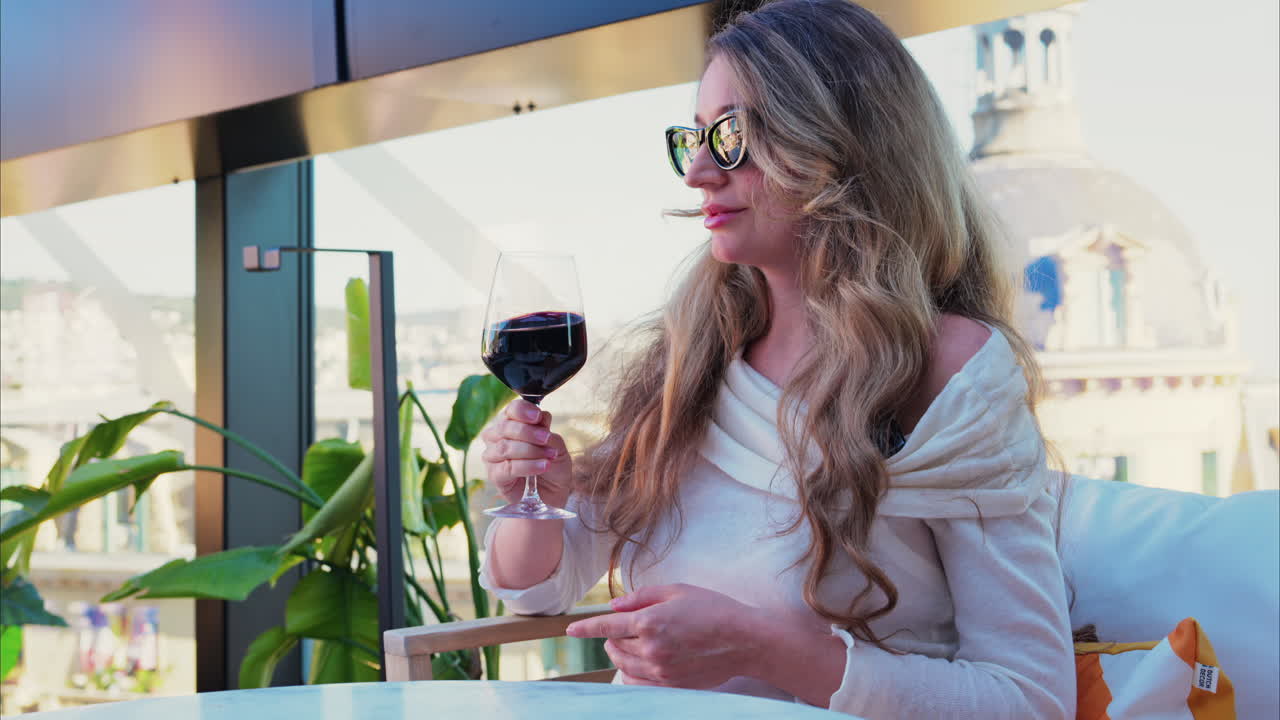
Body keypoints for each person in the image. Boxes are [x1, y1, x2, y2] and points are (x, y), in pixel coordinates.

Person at [478, 1, 1075, 717]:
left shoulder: (950, 372)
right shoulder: (697, 351)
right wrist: (526, 497)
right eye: (694, 139)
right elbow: (539, 584)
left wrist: (758, 647)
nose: (698, 171)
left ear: (838, 142)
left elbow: (1031, 700)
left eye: (730, 136)